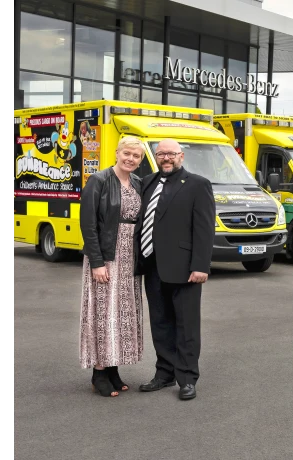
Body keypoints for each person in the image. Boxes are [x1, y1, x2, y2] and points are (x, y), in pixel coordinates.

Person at [134, 139, 215, 401]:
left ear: (181, 156)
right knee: (160, 323)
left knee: (186, 326)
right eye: (161, 154)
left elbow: (204, 228)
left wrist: (200, 266)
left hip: (185, 269)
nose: (166, 158)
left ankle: (187, 379)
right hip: (152, 265)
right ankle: (164, 373)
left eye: (171, 154)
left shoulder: (197, 184)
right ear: (155, 157)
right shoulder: (146, 182)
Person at [79, 136, 145, 398]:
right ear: (117, 152)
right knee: (103, 313)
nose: (130, 159)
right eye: (126, 153)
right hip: (106, 256)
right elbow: (88, 224)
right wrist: (97, 262)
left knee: (121, 313)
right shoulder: (99, 180)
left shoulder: (139, 183)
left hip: (131, 259)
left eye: (136, 156)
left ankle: (114, 368)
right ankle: (99, 372)